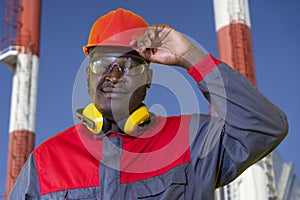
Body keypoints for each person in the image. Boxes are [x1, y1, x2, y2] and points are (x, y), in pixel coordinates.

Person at [9, 8, 288, 199]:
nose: (113, 75)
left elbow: (265, 126)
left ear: (148, 78)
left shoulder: (191, 142)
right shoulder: (45, 162)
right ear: (88, 74)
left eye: (128, 65)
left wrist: (191, 57)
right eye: (103, 63)